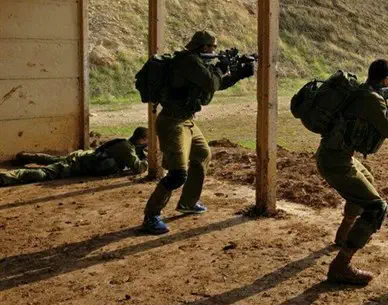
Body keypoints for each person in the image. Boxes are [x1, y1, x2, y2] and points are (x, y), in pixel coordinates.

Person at [318, 59, 388, 285]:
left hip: (332, 155)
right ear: (385, 79)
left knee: (367, 179)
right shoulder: (372, 99)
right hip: (337, 162)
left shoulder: (364, 91)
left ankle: (343, 235)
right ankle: (341, 265)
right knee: (377, 207)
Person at [140, 30, 255, 235]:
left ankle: (188, 202)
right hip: (173, 122)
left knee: (202, 155)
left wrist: (238, 73)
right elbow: (211, 81)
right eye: (213, 47)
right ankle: (151, 216)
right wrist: (221, 68)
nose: (214, 51)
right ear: (203, 47)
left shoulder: (196, 63)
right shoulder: (188, 62)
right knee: (177, 174)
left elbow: (211, 86)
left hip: (187, 120)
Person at [1, 127, 149, 186]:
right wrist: (150, 160)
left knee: (57, 160)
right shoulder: (127, 149)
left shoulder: (124, 143)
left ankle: (28, 157)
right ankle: (6, 178)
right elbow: (138, 168)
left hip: (82, 157)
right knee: (45, 173)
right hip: (79, 164)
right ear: (142, 139)